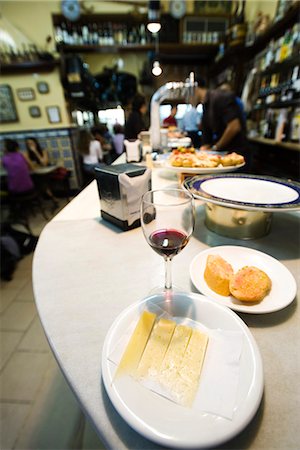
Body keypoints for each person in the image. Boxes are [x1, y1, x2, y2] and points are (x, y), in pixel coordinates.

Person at [193, 77, 248, 158]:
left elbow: (234, 127)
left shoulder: (219, 97)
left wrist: (216, 148)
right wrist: (205, 148)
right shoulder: (205, 105)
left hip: (236, 154)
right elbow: (206, 133)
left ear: (196, 88)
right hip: (223, 154)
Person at [25, 137, 58, 203]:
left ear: (36, 143)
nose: (30, 145)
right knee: (37, 180)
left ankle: (50, 197)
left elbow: (44, 163)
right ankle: (50, 197)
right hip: (33, 173)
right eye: (28, 144)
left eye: (32, 143)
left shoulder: (43, 151)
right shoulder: (26, 153)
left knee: (42, 180)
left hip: (44, 172)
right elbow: (31, 166)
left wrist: (36, 152)